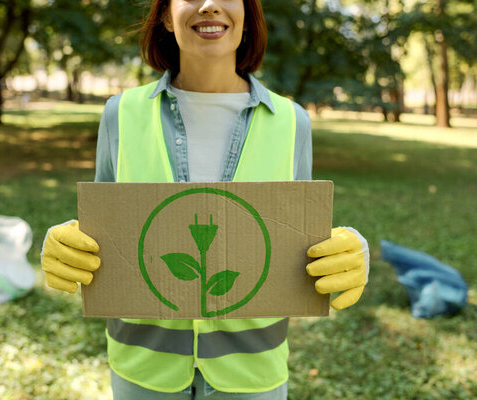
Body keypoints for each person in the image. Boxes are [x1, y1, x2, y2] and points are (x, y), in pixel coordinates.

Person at [41, 0, 369, 398]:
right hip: (142, 367)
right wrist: (64, 243)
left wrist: (350, 247)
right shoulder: (120, 114)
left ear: (247, 14)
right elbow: (102, 229)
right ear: (165, 14)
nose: (210, 5)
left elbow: (298, 235)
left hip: (253, 369)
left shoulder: (291, 120)